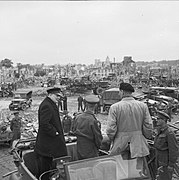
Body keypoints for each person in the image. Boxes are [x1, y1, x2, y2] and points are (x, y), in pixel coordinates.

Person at [106, 82, 153, 176]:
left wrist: (112, 139)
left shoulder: (115, 107)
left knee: (121, 172)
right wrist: (145, 136)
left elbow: (111, 129)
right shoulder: (143, 106)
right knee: (137, 172)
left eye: (119, 92)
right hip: (138, 143)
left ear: (122, 92)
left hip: (120, 144)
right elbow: (148, 125)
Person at [34, 87, 68, 179]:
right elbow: (44, 124)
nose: (58, 98)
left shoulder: (50, 103)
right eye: (57, 95)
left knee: (48, 166)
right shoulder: (47, 105)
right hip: (46, 145)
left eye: (59, 96)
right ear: (50, 94)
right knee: (44, 170)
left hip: (48, 145)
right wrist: (55, 133)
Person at [73, 94, 103, 160]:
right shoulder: (93, 121)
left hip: (80, 148)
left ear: (85, 105)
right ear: (95, 106)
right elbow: (98, 138)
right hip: (91, 150)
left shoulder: (78, 117)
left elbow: (73, 130)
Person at [154, 111, 179, 180]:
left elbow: (174, 150)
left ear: (164, 120)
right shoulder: (160, 131)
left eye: (158, 119)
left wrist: (171, 165)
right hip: (159, 161)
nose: (157, 120)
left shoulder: (169, 133)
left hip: (165, 163)